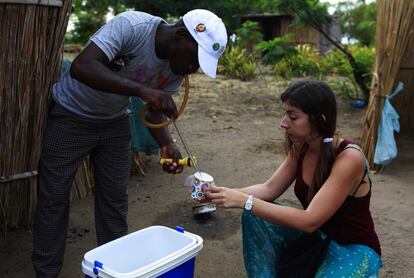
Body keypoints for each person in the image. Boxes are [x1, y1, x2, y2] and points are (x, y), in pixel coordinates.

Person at [32, 9, 227, 277]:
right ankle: (46, 272)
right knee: (53, 200)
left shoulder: (176, 69)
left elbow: (156, 108)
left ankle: (115, 270)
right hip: (71, 115)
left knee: (114, 203)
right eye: (195, 59)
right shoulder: (132, 27)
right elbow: (82, 66)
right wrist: (141, 90)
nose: (193, 69)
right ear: (181, 35)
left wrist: (166, 144)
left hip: (114, 123)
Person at [204, 80, 382, 277]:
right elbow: (269, 189)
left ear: (319, 119)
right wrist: (219, 193)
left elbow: (310, 220)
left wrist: (244, 201)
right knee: (254, 214)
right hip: (317, 238)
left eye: (292, 116)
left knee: (251, 206)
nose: (283, 123)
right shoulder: (302, 147)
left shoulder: (349, 158)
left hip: (352, 248)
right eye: (284, 113)